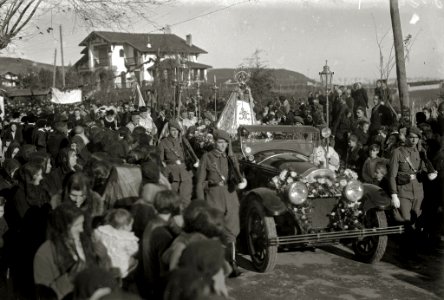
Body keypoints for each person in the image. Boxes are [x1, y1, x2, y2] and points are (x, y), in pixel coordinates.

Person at [33, 203, 111, 300]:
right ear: (62, 228)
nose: (82, 229)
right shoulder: (45, 253)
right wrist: (69, 279)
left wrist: (103, 258)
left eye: (82, 224)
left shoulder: (86, 241)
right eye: (76, 226)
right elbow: (44, 296)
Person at [196, 129, 246, 277]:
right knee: (215, 229)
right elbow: (199, 182)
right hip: (213, 195)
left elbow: (238, 176)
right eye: (220, 142)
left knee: (232, 230)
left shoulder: (231, 157)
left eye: (225, 143)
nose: (222, 145)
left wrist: (240, 177)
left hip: (230, 195)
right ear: (215, 142)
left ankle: (232, 263)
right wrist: (200, 202)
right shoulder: (207, 157)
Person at [158, 120, 195, 209]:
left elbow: (191, 154)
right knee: (173, 199)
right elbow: (160, 160)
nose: (174, 132)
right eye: (172, 130)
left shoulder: (183, 141)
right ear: (169, 131)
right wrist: (166, 173)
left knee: (186, 199)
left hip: (185, 172)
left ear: (179, 131)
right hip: (172, 174)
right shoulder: (163, 142)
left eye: (176, 130)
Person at [94, 209, 139, 279]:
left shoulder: (102, 231)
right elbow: (134, 250)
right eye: (131, 225)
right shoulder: (128, 238)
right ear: (124, 226)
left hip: (103, 263)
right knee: (134, 261)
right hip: (119, 267)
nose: (131, 227)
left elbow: (95, 239)